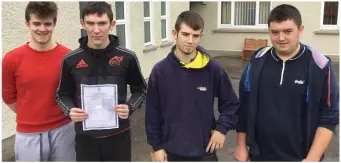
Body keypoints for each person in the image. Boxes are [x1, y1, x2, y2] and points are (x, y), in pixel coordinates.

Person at [234, 4, 339, 162]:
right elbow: (244, 106)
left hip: (301, 157)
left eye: (287, 31)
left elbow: (329, 116)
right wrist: (241, 146)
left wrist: (312, 158)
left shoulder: (320, 66)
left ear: (300, 29)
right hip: (259, 156)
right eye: (275, 32)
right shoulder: (256, 62)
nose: (281, 38)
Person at [56, 2, 146, 161]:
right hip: (85, 139)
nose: (96, 30)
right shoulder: (71, 60)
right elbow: (62, 95)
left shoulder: (127, 57)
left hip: (118, 138)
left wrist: (130, 106)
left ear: (112, 24)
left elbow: (141, 90)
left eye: (102, 23)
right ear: (82, 24)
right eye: (90, 23)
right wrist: (69, 110)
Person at [145, 11, 239, 162]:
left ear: (201, 36)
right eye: (185, 34)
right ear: (175, 33)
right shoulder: (160, 71)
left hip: (204, 151)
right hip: (170, 152)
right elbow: (152, 114)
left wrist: (221, 129)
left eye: (195, 36)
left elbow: (231, 104)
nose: (190, 40)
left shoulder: (213, 69)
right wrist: (157, 147)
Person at [2, 2, 75, 161]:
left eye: (47, 24)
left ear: (54, 24)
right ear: (27, 24)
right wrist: (32, 115)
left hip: (63, 130)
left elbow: (73, 92)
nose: (42, 29)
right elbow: (8, 96)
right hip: (28, 134)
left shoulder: (68, 58)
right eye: (36, 23)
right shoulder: (11, 59)